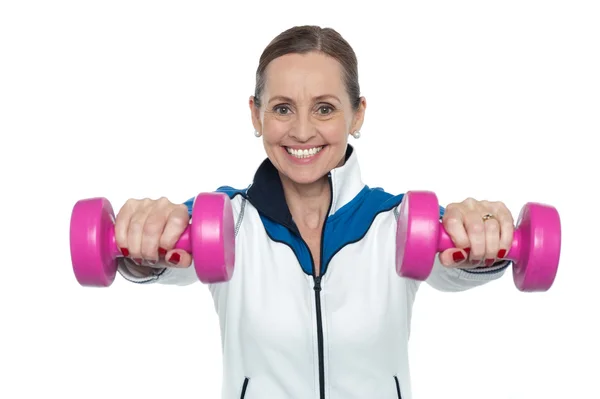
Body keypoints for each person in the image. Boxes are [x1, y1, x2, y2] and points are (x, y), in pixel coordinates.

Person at [115, 25, 514, 399]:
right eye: (283, 109)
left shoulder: (398, 221)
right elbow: (161, 258)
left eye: (324, 109)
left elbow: (457, 268)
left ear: (357, 114)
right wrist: (144, 234)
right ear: (256, 115)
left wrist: (484, 234)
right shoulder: (226, 220)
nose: (302, 131)